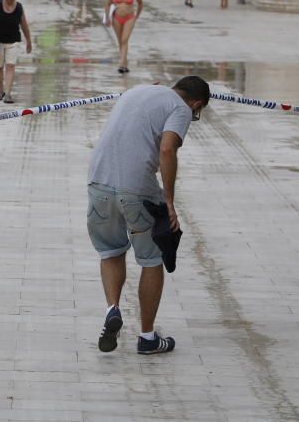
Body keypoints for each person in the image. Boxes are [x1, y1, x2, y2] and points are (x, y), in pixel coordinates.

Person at [87, 76, 210, 355]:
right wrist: (169, 200)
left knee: (111, 252)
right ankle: (147, 337)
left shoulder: (136, 91)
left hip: (98, 182)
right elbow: (167, 150)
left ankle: (112, 309)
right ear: (197, 104)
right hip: (137, 190)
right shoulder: (181, 109)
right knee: (152, 260)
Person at [105, 0, 143, 74]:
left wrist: (137, 16)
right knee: (120, 41)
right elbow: (108, 3)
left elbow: (140, 3)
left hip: (129, 18)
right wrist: (107, 17)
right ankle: (125, 63)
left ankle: (121, 63)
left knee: (124, 39)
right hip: (116, 18)